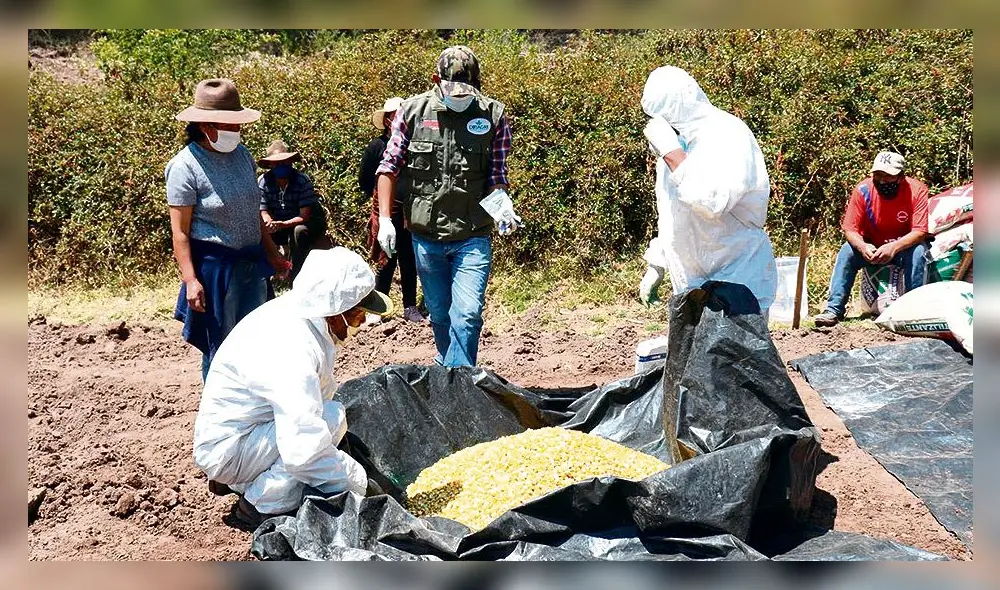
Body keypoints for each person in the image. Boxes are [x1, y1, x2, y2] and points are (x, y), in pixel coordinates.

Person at [193, 247, 393, 528]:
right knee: (323, 429)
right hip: (229, 448)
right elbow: (304, 450)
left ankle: (243, 479)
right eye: (358, 316)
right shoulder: (292, 348)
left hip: (245, 432)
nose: (359, 325)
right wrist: (361, 484)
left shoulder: (301, 316)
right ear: (336, 312)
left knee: (328, 418)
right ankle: (259, 505)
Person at [374, 45, 521, 367]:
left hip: (472, 235)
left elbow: (497, 173)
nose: (459, 96)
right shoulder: (413, 112)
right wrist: (385, 219)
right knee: (440, 314)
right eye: (451, 89)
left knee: (467, 314)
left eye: (466, 90)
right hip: (426, 237)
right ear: (435, 80)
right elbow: (388, 167)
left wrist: (503, 207)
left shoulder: (492, 115)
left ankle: (460, 380)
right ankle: (448, 370)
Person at [167, 78, 287, 382]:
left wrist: (272, 254)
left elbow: (252, 212)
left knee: (258, 340)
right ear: (207, 126)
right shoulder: (185, 166)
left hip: (251, 264)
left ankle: (252, 409)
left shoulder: (242, 156)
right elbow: (180, 232)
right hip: (216, 271)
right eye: (231, 125)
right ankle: (218, 418)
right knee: (221, 348)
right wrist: (191, 280)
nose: (237, 131)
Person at [639, 66, 777, 315]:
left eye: (666, 115)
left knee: (737, 353)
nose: (663, 124)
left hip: (738, 281)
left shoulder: (727, 134)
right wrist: (657, 263)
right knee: (694, 353)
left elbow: (712, 202)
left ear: (684, 103)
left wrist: (673, 154)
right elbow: (672, 212)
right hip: (691, 285)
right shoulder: (676, 145)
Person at [813, 151, 929, 326]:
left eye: (887, 176)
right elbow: (850, 230)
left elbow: (919, 231)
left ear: (900, 176)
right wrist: (863, 247)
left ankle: (912, 310)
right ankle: (833, 309)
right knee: (847, 252)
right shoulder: (863, 190)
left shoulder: (917, 190)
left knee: (919, 251)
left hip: (903, 248)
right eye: (877, 175)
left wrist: (894, 247)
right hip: (871, 246)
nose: (882, 181)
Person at [359, 97, 423, 324]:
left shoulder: (415, 143)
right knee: (386, 258)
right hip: (387, 210)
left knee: (409, 258)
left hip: (411, 208)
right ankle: (379, 307)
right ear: (387, 120)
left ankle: (410, 306)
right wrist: (380, 203)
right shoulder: (376, 146)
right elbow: (365, 179)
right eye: (394, 114)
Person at [258, 139, 328, 281]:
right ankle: (269, 273)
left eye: (284, 162)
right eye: (276, 163)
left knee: (298, 232)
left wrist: (282, 224)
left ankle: (297, 274)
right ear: (270, 165)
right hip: (279, 222)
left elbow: (304, 216)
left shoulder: (302, 180)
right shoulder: (264, 182)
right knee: (258, 231)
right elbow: (262, 210)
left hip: (305, 222)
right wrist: (269, 222)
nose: (281, 166)